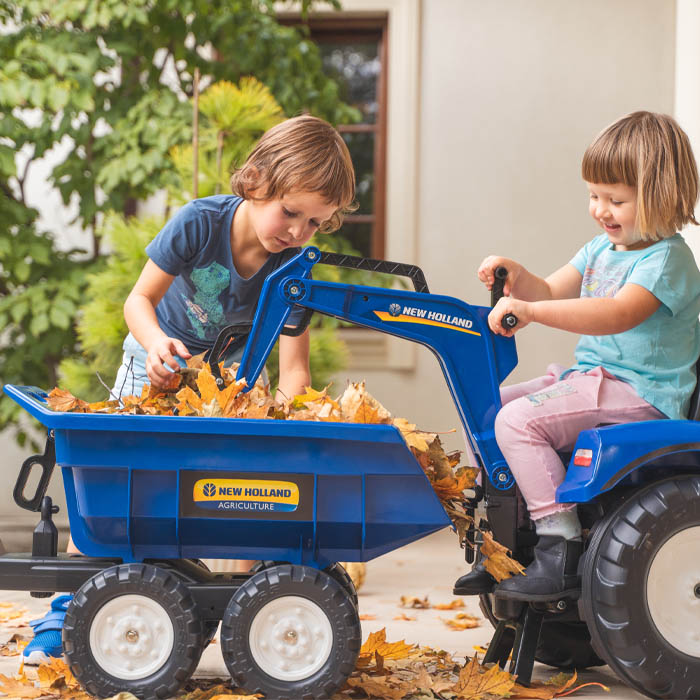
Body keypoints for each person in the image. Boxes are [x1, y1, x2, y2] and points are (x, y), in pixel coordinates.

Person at [22, 114, 356, 664]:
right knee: (115, 492)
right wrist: (154, 345)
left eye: (315, 223)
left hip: (235, 383)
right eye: (290, 211)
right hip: (158, 362)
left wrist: (295, 418)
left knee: (257, 497)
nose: (298, 232)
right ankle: (63, 618)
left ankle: (247, 619)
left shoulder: (296, 265)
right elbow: (138, 301)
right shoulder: (200, 223)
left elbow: (295, 367)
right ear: (256, 181)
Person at [454, 111, 700, 601]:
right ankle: (509, 537)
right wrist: (517, 275)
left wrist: (534, 311)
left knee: (518, 422)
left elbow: (616, 313)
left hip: (640, 392)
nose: (600, 209)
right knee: (488, 407)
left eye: (616, 200)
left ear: (661, 195)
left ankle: (559, 542)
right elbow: (549, 288)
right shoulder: (600, 249)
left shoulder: (667, 260)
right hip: (593, 380)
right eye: (594, 195)